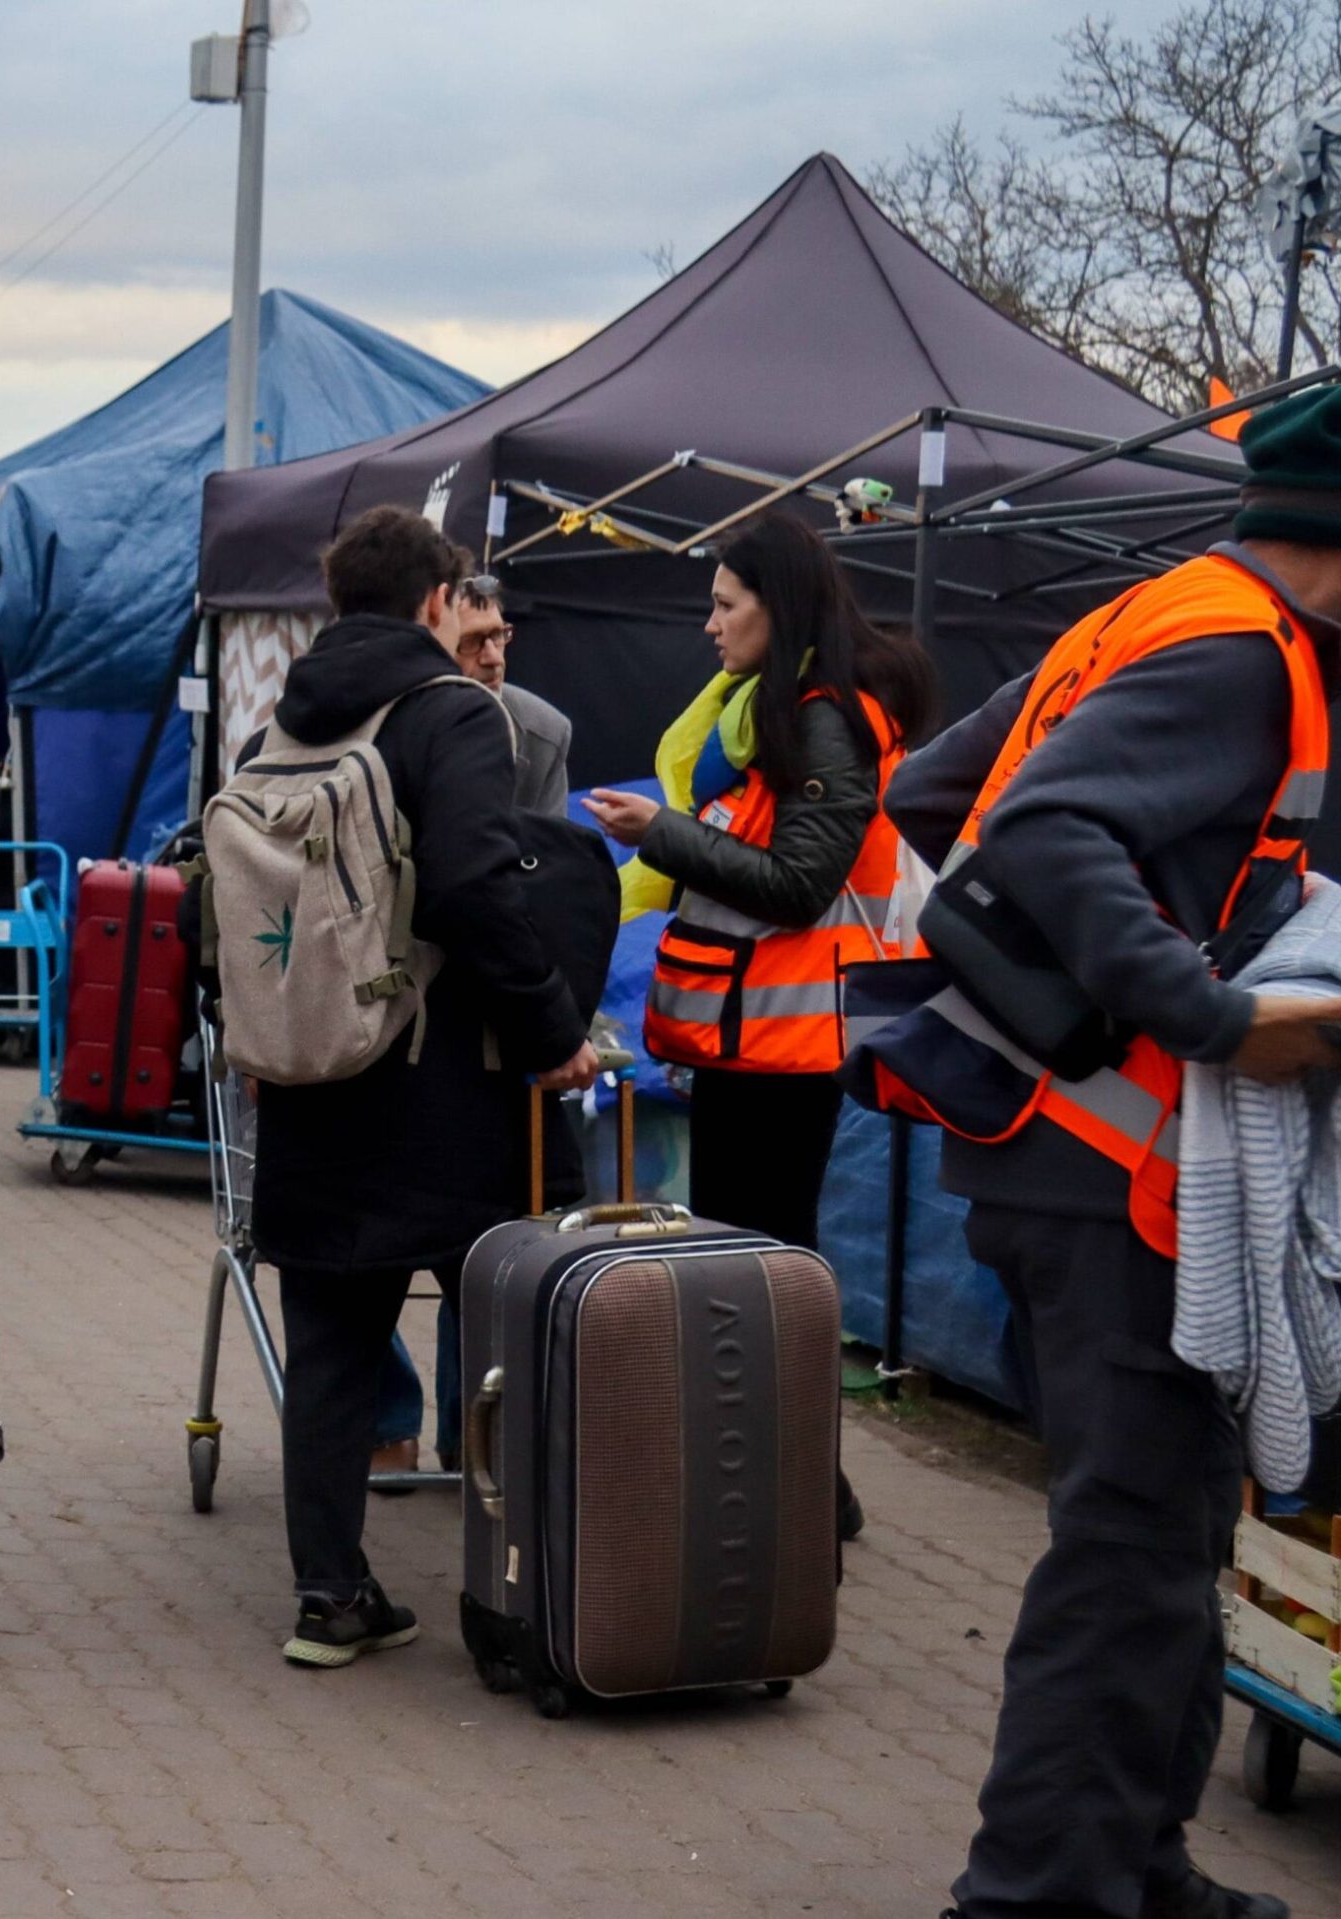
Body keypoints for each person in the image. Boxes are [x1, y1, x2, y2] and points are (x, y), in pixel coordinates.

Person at [883, 389, 1341, 1919]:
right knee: (1129, 1549)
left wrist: (1084, 979)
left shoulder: (1156, 610)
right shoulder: (1242, 657)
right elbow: (1046, 829)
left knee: (1163, 1537)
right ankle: (1037, 1893)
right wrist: (1211, 1011)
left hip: (1049, 1159)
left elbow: (932, 791)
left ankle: (1138, 1867)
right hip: (1115, 1178)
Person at [236, 505, 598, 1669]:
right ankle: (514, 1612)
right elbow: (473, 891)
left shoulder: (275, 733)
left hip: (307, 1075)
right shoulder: (455, 715)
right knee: (506, 1341)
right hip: (444, 1085)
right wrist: (551, 1027)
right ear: (437, 602)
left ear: (334, 602)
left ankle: (328, 1597)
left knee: (333, 1347)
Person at [584, 512, 935, 1543]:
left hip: (788, 1057)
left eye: (725, 604)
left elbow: (795, 884)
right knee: (753, 1267)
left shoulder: (826, 720)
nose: (709, 625)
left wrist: (667, 832)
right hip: (749, 1051)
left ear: (775, 610)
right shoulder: (776, 715)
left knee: (768, 1270)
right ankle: (796, 1487)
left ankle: (796, 1494)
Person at [369, 563, 580, 1481]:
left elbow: (535, 885)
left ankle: (473, 1434)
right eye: (474, 640)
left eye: (503, 638)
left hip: (478, 1007)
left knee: (484, 1234)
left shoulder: (538, 732)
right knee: (365, 1244)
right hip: (377, 1000)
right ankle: (388, 1417)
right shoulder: (369, 720)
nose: (493, 655)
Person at [451, 568, 572, 816]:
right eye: (472, 641)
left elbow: (547, 849)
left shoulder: (545, 735)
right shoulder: (402, 727)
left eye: (498, 635)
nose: (493, 658)